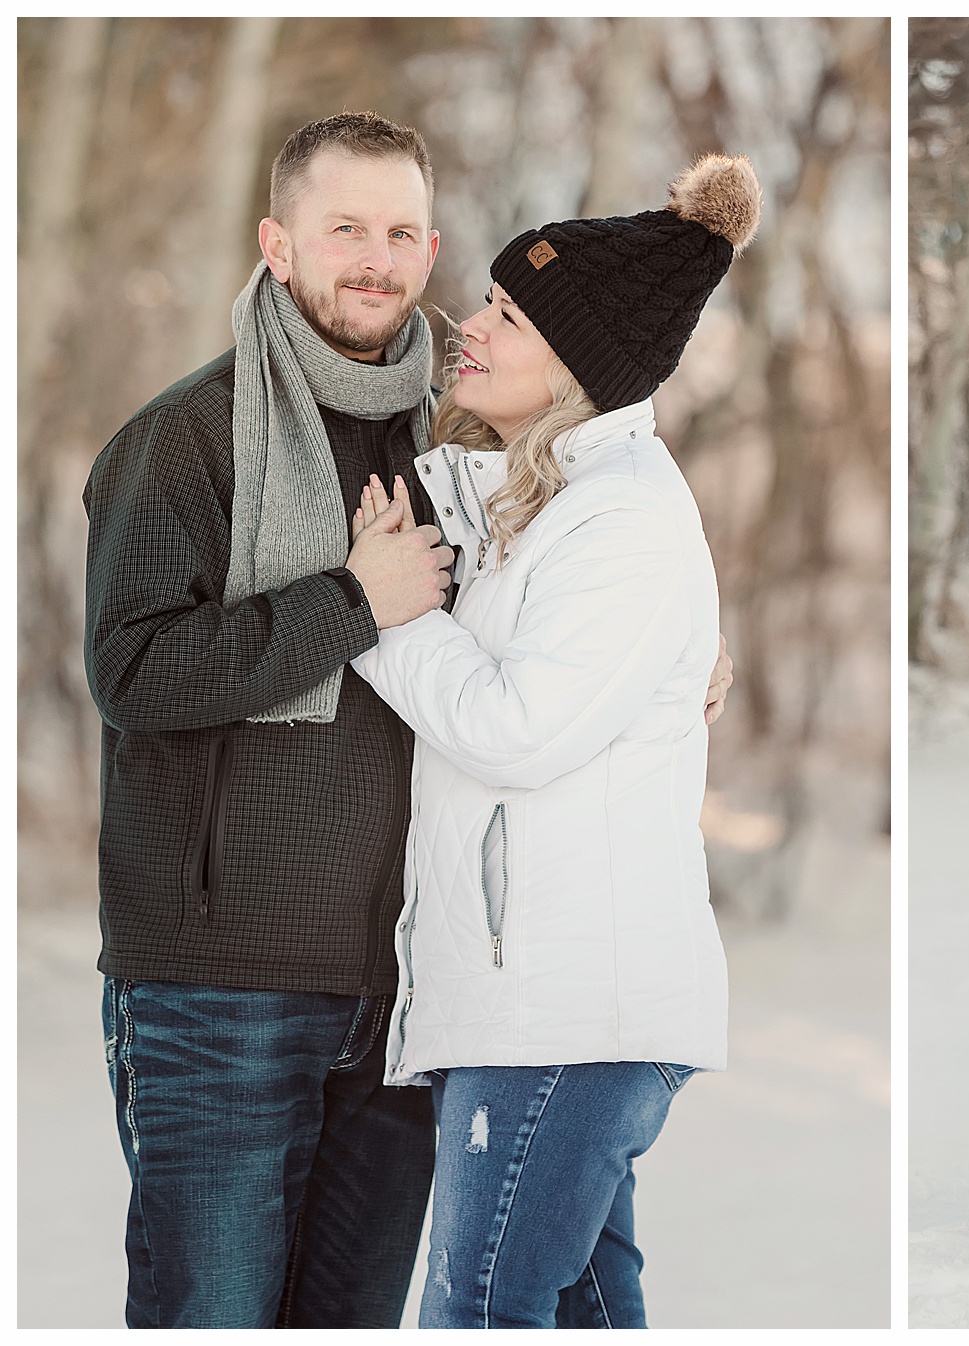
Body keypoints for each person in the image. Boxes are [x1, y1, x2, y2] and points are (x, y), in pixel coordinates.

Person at [81, 112, 732, 1329]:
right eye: (343, 229)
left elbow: (575, 552)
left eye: (397, 232)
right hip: (221, 984)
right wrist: (348, 603)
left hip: (400, 986)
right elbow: (134, 673)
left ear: (429, 245)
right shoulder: (187, 441)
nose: (375, 259)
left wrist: (691, 637)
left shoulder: (461, 424)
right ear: (278, 244)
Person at [345, 152, 760, 1329]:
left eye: (508, 317)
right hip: (539, 1002)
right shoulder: (551, 504)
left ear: (581, 364)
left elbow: (517, 732)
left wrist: (390, 614)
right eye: (486, 300)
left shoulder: (620, 518)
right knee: (576, 1307)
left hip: (567, 1011)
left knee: (479, 1306)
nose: (469, 330)